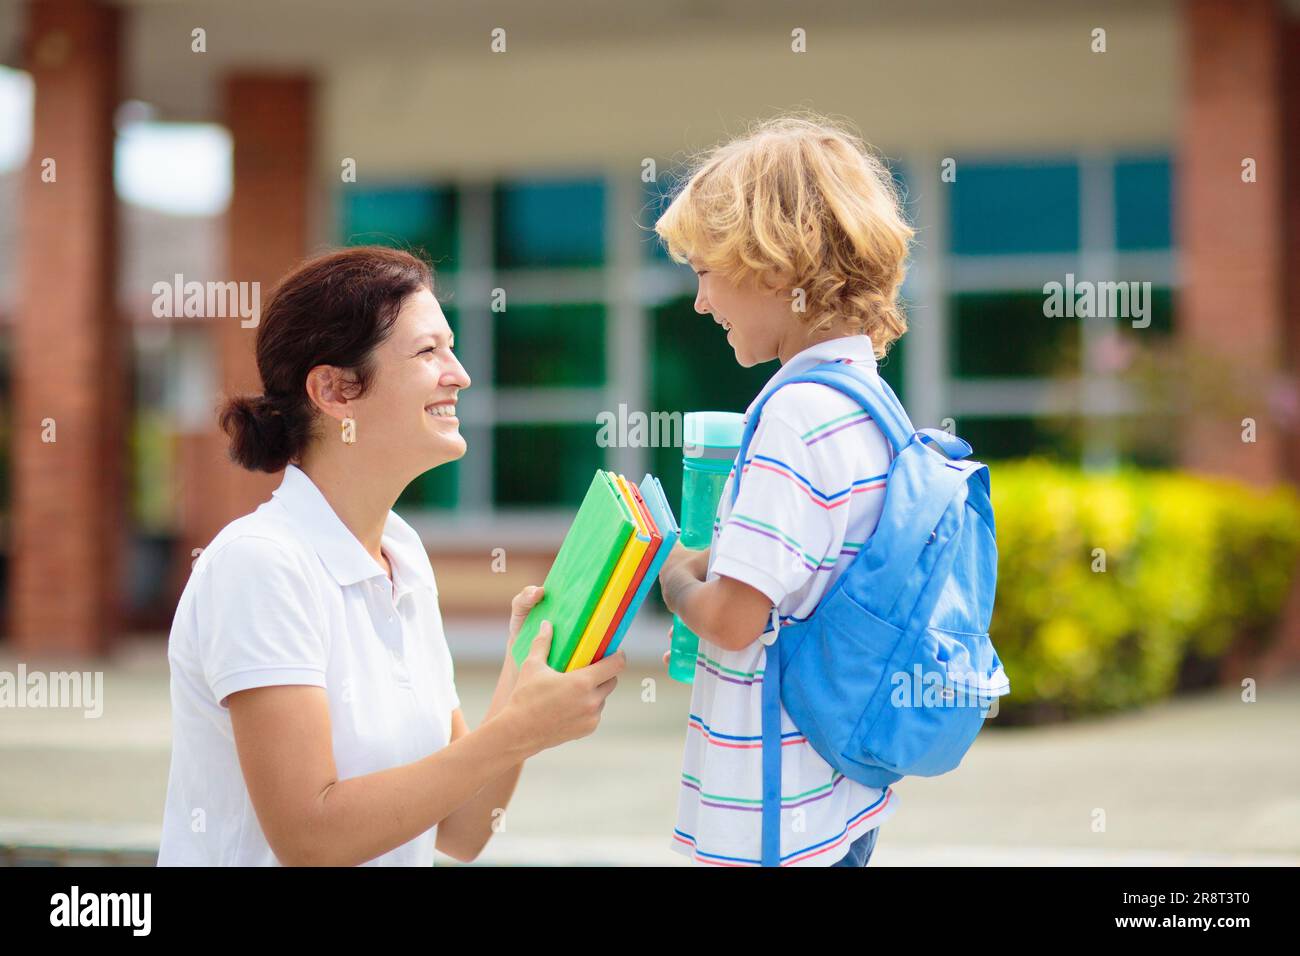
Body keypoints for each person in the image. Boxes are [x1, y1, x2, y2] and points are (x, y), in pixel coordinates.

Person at [158, 246, 625, 866]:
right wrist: (517, 730)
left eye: (450, 348)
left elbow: (460, 831)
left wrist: (525, 667)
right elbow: (310, 837)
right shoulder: (261, 564)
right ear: (335, 390)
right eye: (428, 351)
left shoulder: (402, 556)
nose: (458, 373)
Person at [654, 114, 914, 866]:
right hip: (840, 793)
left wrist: (675, 578)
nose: (700, 303)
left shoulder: (791, 420)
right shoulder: (869, 406)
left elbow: (736, 621)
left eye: (704, 271)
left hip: (771, 813)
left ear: (773, 267)